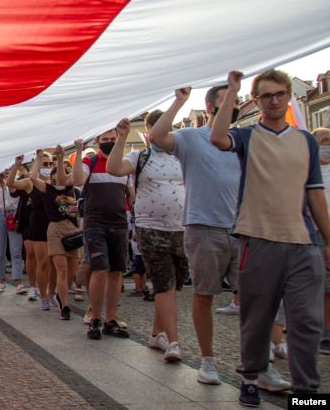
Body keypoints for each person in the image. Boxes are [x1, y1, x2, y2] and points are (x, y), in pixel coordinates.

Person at [211, 69, 329, 404]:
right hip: (258, 239)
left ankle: (307, 392)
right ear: (257, 101)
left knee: (306, 320)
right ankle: (251, 375)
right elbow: (218, 138)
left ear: (289, 95)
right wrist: (231, 92)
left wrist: (329, 240)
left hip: (304, 242)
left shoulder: (305, 140)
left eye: (280, 94)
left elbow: (315, 194)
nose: (274, 101)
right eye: (267, 96)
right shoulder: (248, 136)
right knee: (258, 317)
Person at [150, 85, 249, 385]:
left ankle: (256, 362)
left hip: (242, 228)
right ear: (209, 108)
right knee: (205, 294)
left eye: (235, 103)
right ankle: (208, 361)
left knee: (255, 297)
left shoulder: (244, 139)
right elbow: (157, 136)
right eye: (224, 102)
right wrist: (179, 102)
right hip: (204, 227)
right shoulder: (192, 138)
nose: (230, 107)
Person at [106, 113, 186, 363]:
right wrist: (120, 138)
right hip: (150, 228)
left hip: (182, 229)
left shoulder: (181, 156)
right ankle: (173, 342)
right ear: (149, 130)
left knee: (173, 285)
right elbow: (114, 168)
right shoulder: (140, 157)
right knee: (163, 283)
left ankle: (155, 334)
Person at [69, 131, 131, 340]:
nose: (109, 143)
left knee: (116, 272)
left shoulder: (124, 164)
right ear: (97, 141)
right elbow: (77, 179)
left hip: (119, 222)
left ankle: (111, 319)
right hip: (95, 223)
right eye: (105, 140)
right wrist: (78, 152)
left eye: (112, 140)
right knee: (100, 270)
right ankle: (95, 317)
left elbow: (131, 194)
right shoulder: (90, 160)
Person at [29, 147, 81, 319]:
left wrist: (62, 159)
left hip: (72, 231)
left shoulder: (72, 189)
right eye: (55, 177)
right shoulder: (48, 189)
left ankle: (58, 293)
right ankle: (64, 305)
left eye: (63, 175)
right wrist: (38, 159)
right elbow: (32, 177)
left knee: (72, 272)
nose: (59, 179)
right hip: (55, 230)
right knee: (62, 270)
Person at [8, 154, 51, 304]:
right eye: (43, 163)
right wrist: (16, 166)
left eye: (48, 164)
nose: (46, 167)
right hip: (29, 222)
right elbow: (11, 184)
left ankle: (48, 289)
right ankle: (33, 286)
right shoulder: (28, 181)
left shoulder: (52, 181)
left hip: (49, 223)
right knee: (32, 254)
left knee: (47, 259)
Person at [0, 174, 24, 294]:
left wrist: (9, 180)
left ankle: (18, 282)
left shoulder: (18, 180)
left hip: (13, 214)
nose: (8, 170)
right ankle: (0, 281)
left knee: (16, 250)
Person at [314, 127, 330, 355]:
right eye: (323, 141)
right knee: (323, 286)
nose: (327, 145)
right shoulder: (309, 169)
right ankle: (324, 332)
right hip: (316, 232)